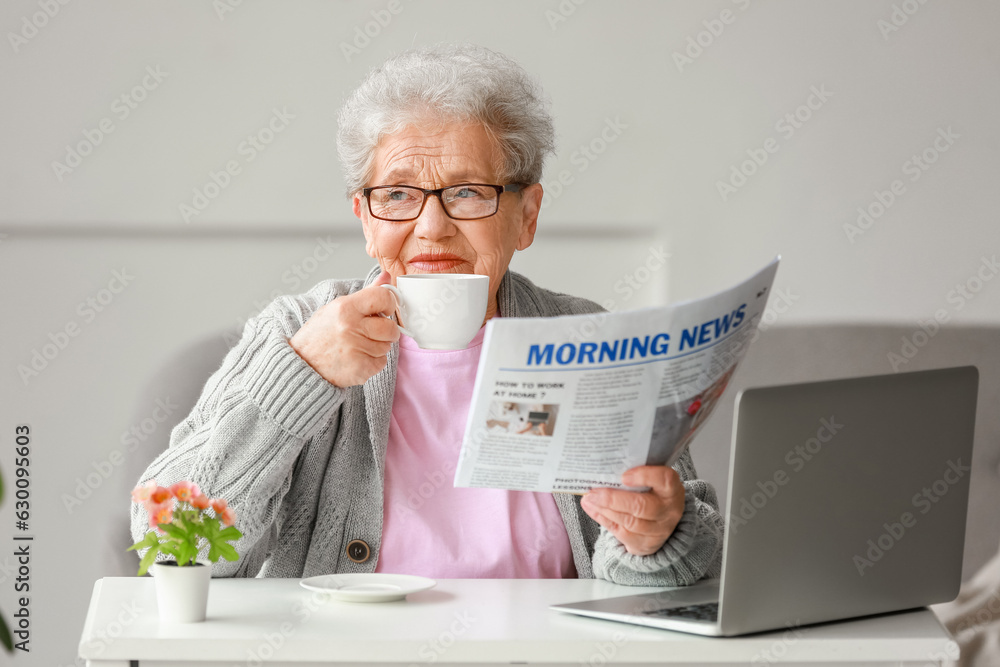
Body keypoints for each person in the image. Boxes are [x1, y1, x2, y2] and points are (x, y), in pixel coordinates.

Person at [131, 43, 724, 585]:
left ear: (527, 215)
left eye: (468, 191)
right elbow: (168, 545)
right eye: (397, 194)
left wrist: (654, 538)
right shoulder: (297, 332)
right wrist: (300, 376)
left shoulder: (587, 339)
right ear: (365, 218)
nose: (432, 227)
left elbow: (685, 572)